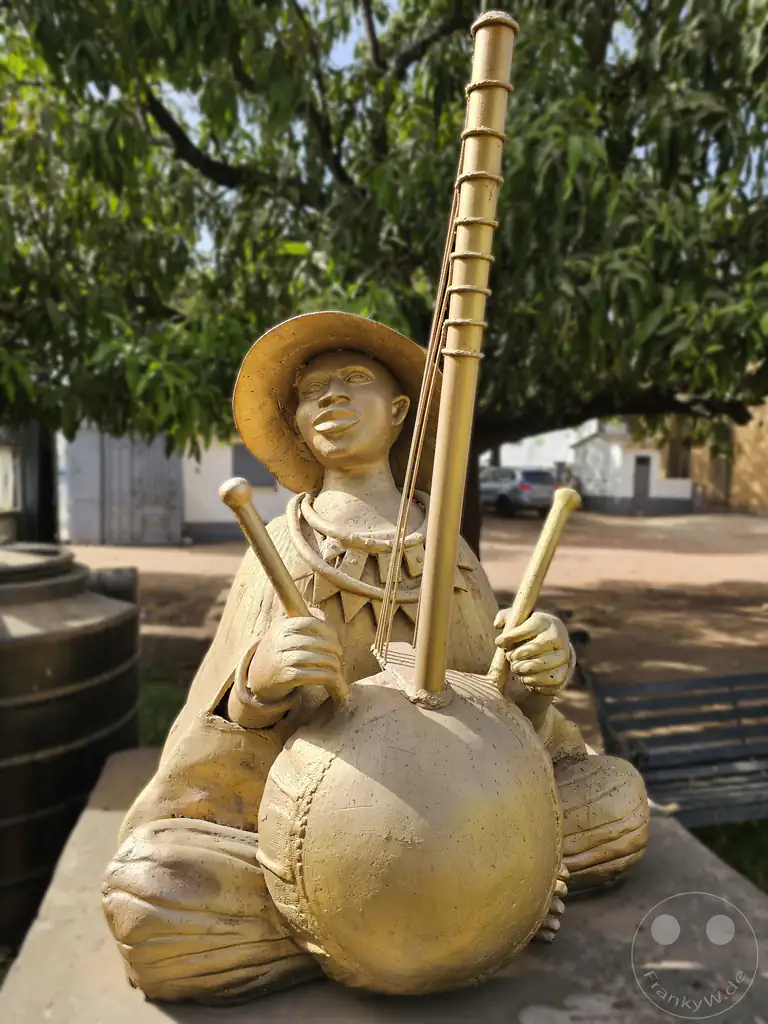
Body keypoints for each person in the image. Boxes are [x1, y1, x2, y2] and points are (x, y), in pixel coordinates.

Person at [103, 312, 649, 1005]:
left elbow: (500, 709)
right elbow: (209, 751)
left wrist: (534, 677)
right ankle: (398, 915)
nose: (329, 397)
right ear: (296, 421)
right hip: (310, 840)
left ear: (399, 413)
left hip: (474, 809)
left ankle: (469, 895)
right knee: (152, 893)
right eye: (311, 390)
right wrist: (254, 690)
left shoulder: (449, 551)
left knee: (618, 802)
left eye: (353, 381)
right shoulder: (279, 546)